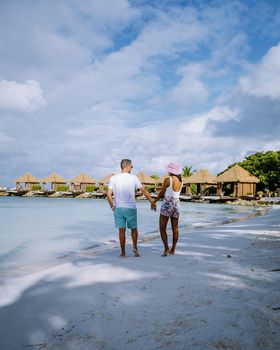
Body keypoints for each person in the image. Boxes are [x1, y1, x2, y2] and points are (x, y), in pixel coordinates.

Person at [107, 159, 156, 257]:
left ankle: (123, 252)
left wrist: (112, 206)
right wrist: (152, 201)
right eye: (132, 166)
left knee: (121, 230)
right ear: (128, 166)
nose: (132, 168)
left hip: (119, 208)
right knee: (134, 229)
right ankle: (135, 247)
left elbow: (108, 194)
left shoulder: (113, 178)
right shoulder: (134, 178)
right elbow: (144, 191)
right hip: (131, 207)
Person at [152, 162, 183, 256]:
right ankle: (173, 249)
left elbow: (161, 193)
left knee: (162, 228)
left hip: (167, 203)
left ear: (170, 171)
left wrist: (154, 201)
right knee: (175, 228)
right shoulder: (181, 181)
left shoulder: (168, 180)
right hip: (176, 203)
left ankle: (166, 248)